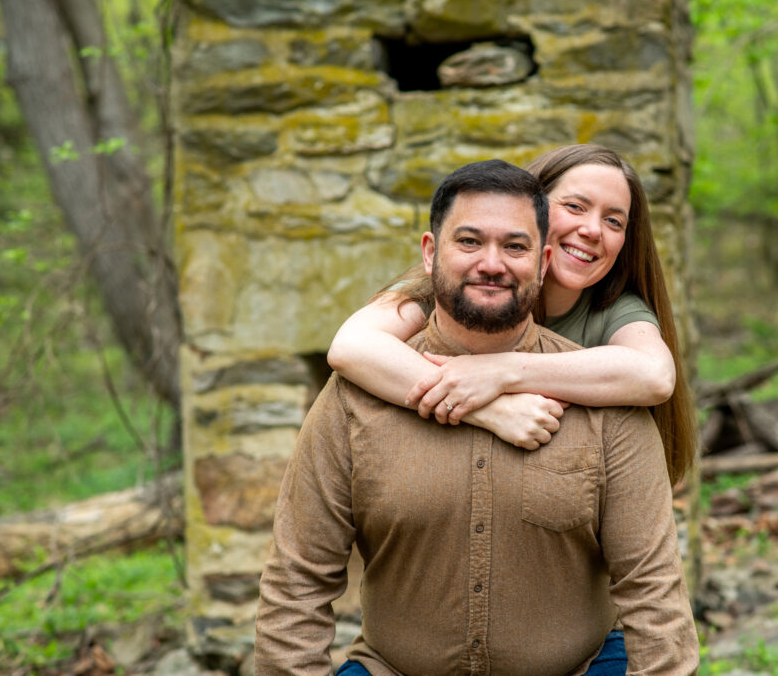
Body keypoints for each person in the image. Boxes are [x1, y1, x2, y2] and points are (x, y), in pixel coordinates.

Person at [255, 159, 700, 675]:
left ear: (542, 260)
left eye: (515, 246)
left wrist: (505, 371)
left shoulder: (608, 388)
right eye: (468, 242)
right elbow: (296, 583)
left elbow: (655, 594)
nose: (492, 263)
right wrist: (484, 403)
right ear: (429, 253)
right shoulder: (361, 388)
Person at [327, 144, 696, 487]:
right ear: (530, 207)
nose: (592, 230)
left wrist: (500, 372)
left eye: (614, 222)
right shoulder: (456, 287)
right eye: (575, 206)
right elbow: (351, 345)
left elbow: (656, 375)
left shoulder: (616, 308)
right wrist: (489, 410)